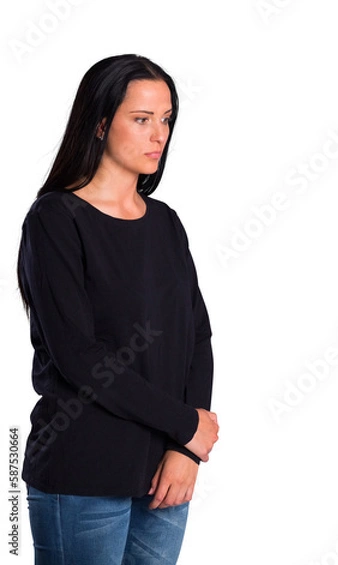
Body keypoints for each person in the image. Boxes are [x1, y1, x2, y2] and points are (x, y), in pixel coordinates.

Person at [17, 54, 219, 564]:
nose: (159, 134)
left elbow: (197, 336)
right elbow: (79, 356)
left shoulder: (166, 223)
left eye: (166, 119)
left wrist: (185, 447)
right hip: (83, 473)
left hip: (166, 477)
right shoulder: (55, 219)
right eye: (141, 119)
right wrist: (187, 424)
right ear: (101, 123)